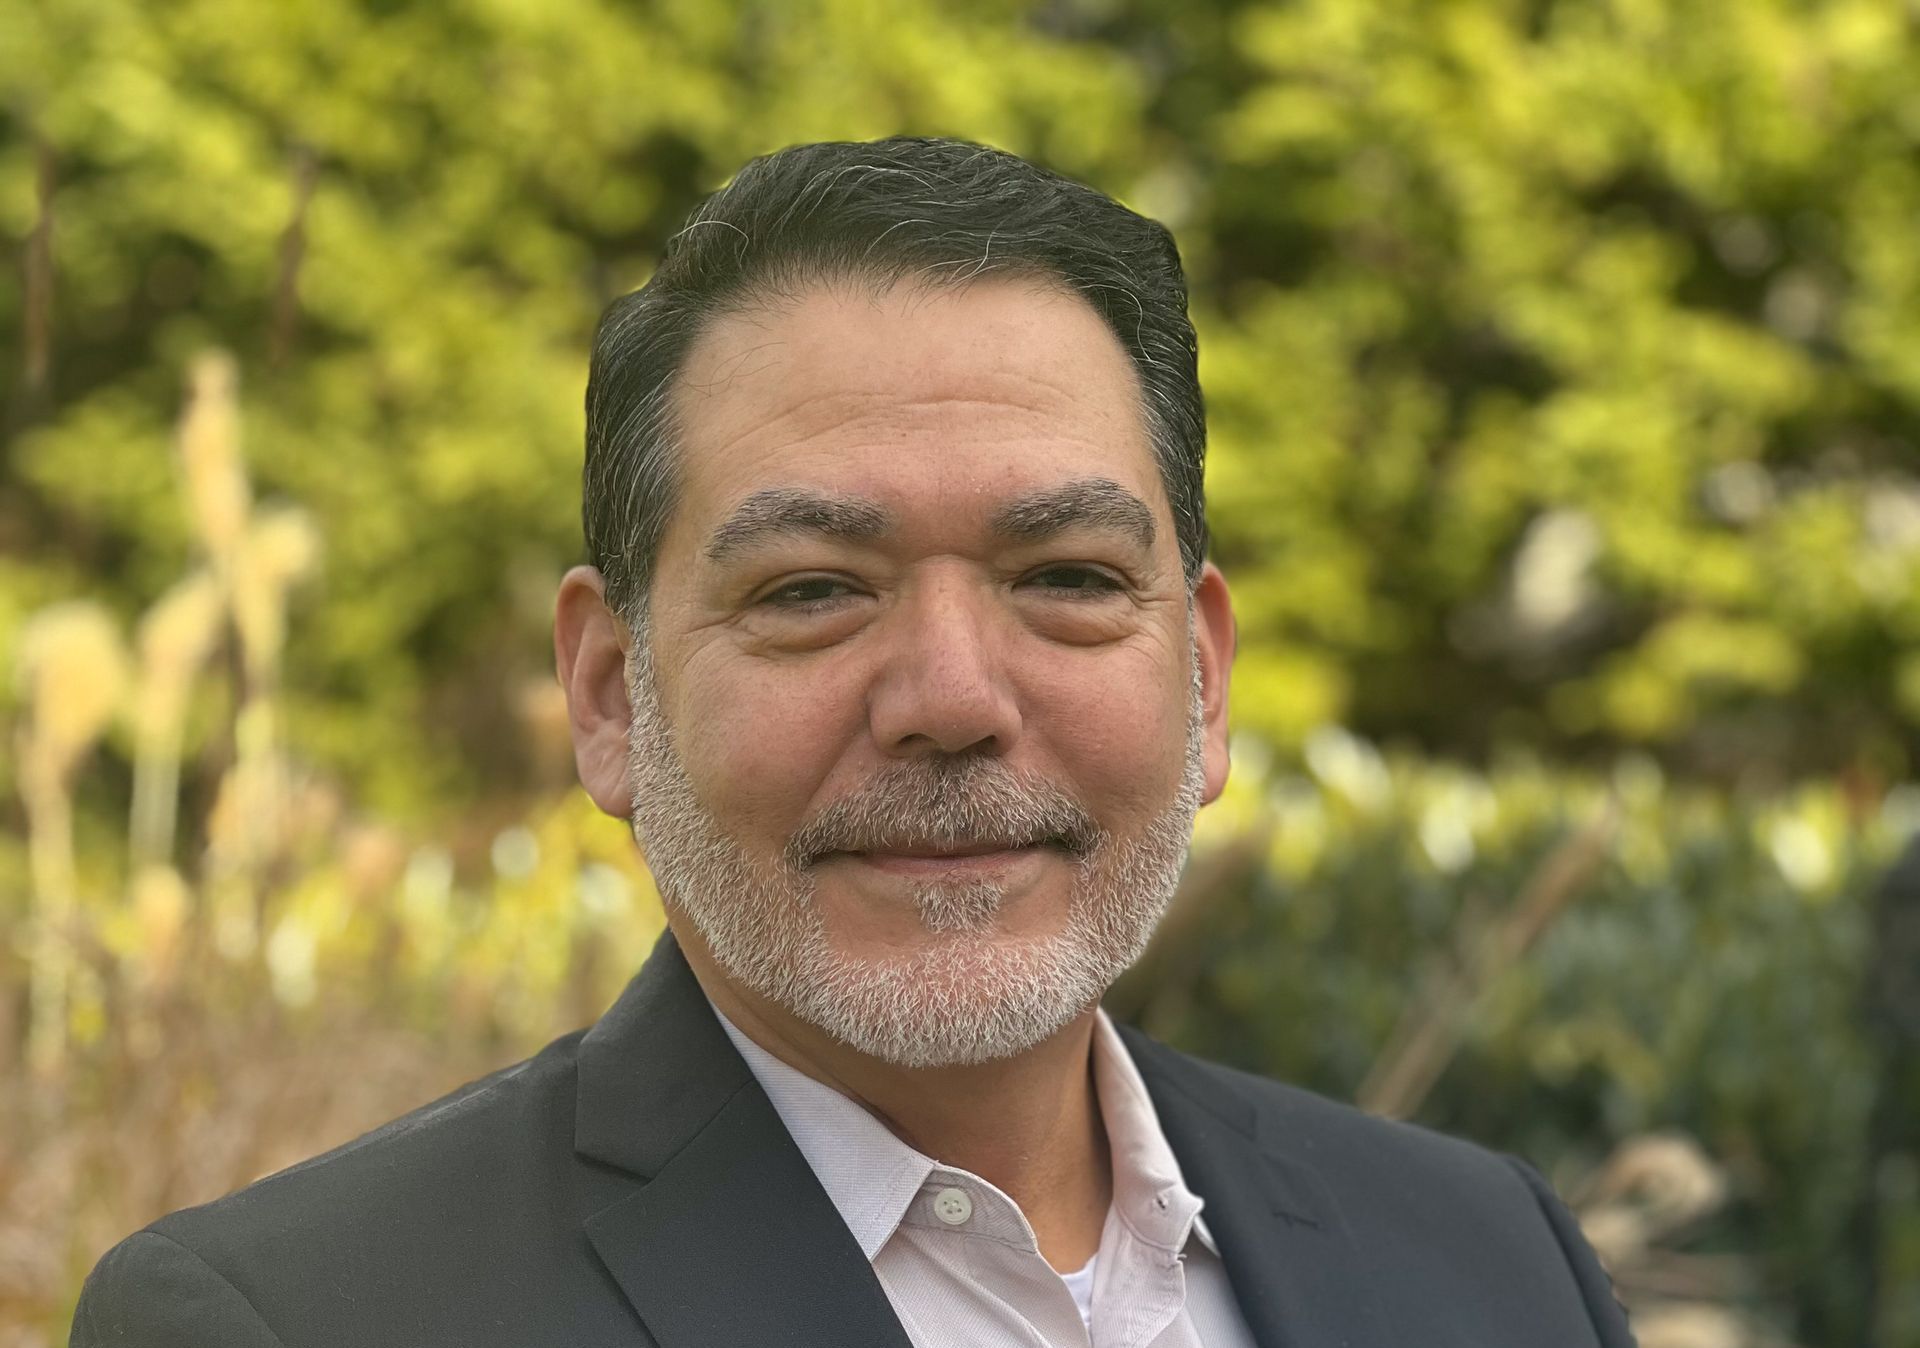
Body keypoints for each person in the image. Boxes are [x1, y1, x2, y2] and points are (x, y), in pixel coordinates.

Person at [72, 136, 1635, 1348]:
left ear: (1205, 679)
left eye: (1067, 579)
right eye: (814, 591)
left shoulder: (1493, 1266)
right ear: (611, 696)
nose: (951, 697)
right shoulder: (298, 1324)